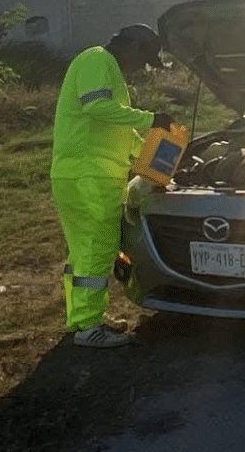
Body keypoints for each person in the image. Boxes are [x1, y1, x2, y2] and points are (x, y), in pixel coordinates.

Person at [50, 23, 175, 348]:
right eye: (144, 60)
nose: (141, 68)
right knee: (98, 250)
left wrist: (152, 161)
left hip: (80, 173)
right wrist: (151, 120)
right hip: (90, 175)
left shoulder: (102, 66)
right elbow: (97, 108)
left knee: (82, 254)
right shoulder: (98, 61)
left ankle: (81, 320)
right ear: (132, 47)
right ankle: (89, 329)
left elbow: (114, 130)